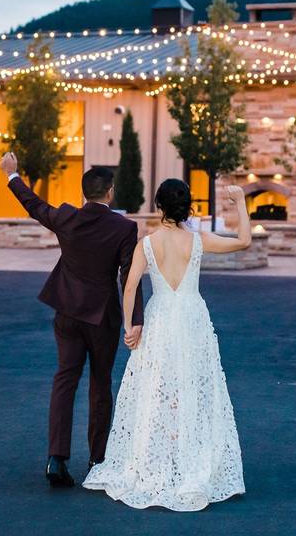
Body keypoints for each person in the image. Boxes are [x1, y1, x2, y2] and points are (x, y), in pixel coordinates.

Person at [83, 178, 249, 511]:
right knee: (194, 387)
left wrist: (130, 326)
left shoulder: (146, 243)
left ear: (159, 206)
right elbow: (244, 241)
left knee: (156, 387)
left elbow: (128, 288)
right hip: (191, 318)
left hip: (159, 318)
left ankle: (157, 457)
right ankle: (189, 457)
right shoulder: (199, 240)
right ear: (187, 206)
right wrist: (240, 201)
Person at [0, 152, 144, 488]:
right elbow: (129, 276)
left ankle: (56, 458)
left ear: (83, 194)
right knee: (100, 385)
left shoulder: (66, 217)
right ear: (110, 193)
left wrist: (12, 175)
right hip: (101, 318)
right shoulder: (125, 228)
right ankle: (97, 460)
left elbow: (33, 205)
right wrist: (135, 319)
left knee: (65, 380)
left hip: (66, 312)